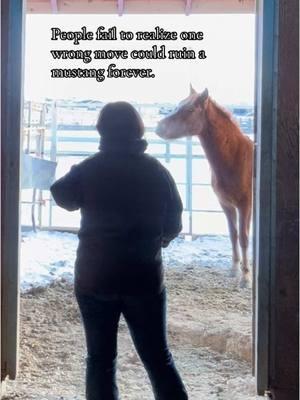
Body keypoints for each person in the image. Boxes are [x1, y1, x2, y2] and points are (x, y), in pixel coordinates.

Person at [50, 101, 188, 400]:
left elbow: (61, 195)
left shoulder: (89, 169)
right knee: (158, 359)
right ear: (138, 130)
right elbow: (174, 222)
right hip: (144, 278)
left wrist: (80, 173)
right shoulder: (157, 171)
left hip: (94, 277)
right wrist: (156, 242)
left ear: (102, 131)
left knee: (100, 361)